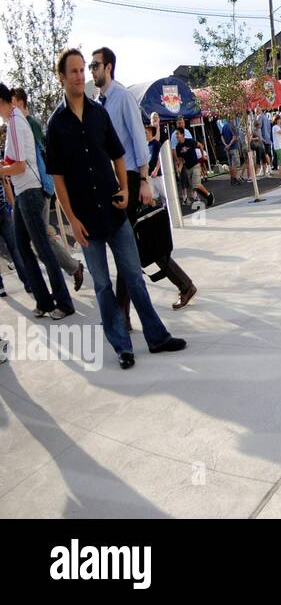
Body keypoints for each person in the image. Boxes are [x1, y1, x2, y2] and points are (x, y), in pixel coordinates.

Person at [45, 49, 186, 369]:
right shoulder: (56, 124)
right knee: (104, 286)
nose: (81, 75)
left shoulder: (99, 113)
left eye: (84, 69)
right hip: (86, 222)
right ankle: (122, 347)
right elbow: (58, 180)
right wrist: (71, 221)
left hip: (113, 211)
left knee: (134, 276)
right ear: (62, 77)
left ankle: (157, 337)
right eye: (75, 71)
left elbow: (118, 153)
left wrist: (125, 186)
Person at [91, 47, 199, 314]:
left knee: (125, 248)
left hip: (128, 177)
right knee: (134, 245)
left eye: (95, 65)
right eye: (90, 66)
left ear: (108, 68)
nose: (91, 70)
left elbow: (139, 141)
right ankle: (183, 284)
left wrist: (143, 181)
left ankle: (121, 314)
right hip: (112, 181)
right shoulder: (98, 102)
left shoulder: (123, 97)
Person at [0, 82, 77, 319]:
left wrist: (1, 170)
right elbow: (14, 163)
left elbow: (20, 165)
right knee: (24, 250)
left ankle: (63, 302)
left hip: (30, 192)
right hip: (25, 192)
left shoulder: (14, 121)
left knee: (41, 248)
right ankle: (44, 301)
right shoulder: (14, 120)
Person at [10, 88, 85, 291]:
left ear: (19, 101)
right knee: (41, 237)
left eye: (13, 101)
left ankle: (73, 268)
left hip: (40, 185)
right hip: (38, 185)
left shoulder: (28, 124)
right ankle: (72, 267)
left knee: (42, 239)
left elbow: (41, 154)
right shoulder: (22, 123)